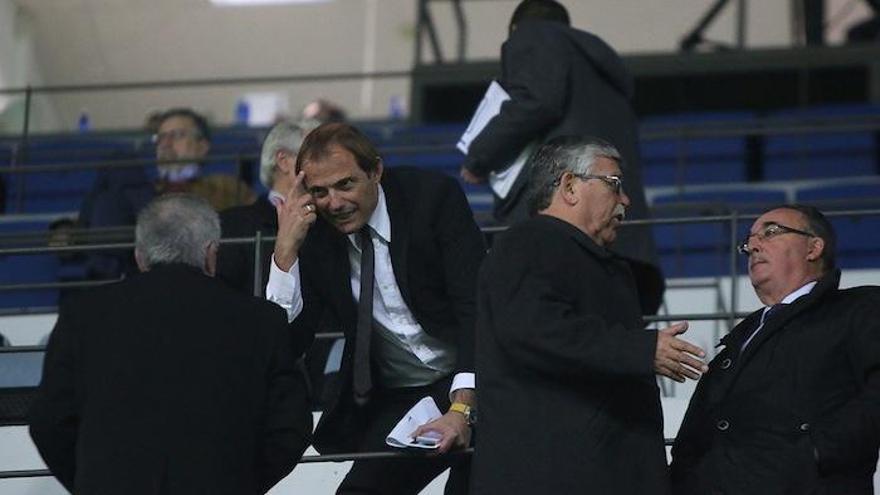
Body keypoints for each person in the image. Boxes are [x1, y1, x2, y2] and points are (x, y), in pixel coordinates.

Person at [29, 194, 312, 495]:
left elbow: (49, 422)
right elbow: (290, 428)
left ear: (140, 256)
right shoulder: (261, 321)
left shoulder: (82, 314)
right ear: (211, 254)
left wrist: (92, 481)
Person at [472, 136, 707, 495]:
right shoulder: (527, 244)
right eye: (614, 184)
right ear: (569, 186)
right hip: (555, 476)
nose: (625, 200)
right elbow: (534, 330)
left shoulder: (592, 259)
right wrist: (641, 350)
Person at [267, 122, 484, 494]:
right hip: (402, 397)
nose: (334, 203)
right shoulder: (315, 234)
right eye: (319, 192)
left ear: (376, 172)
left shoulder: (431, 199)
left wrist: (461, 409)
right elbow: (286, 342)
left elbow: (477, 310)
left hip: (479, 378)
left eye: (346, 184)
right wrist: (285, 252)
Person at [460, 0, 664, 314]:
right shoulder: (603, 74)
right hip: (625, 247)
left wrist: (480, 156)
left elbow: (537, 102)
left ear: (516, 28)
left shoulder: (533, 36)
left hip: (560, 239)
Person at [671, 205, 880, 495]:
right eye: (749, 241)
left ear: (813, 247)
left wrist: (815, 453)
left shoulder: (860, 308)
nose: (753, 246)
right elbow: (692, 440)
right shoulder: (739, 338)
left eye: (771, 232)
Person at [80, 107, 256, 279]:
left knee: (119, 165)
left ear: (202, 146)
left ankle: (100, 275)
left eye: (177, 135)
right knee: (111, 193)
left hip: (198, 260)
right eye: (161, 137)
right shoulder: (143, 189)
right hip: (147, 264)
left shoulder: (224, 185)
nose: (165, 144)